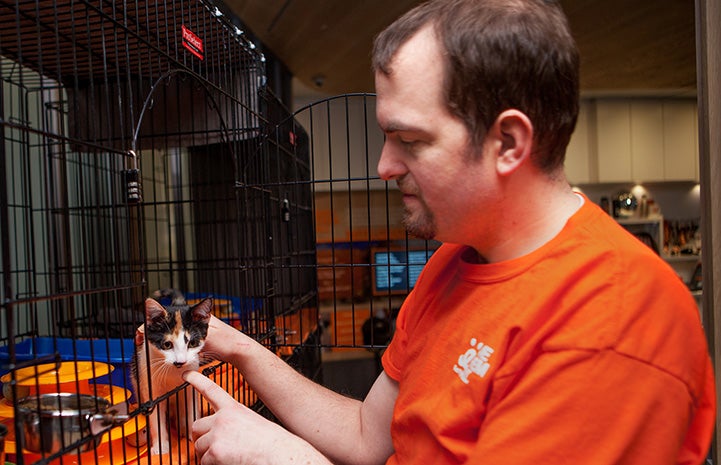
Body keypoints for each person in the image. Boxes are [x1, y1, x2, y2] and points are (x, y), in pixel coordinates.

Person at [183, 0, 716, 463]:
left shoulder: (615, 321)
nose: (383, 166)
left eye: (409, 140)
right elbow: (370, 435)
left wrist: (286, 458)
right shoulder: (454, 259)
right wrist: (241, 349)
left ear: (508, 142)